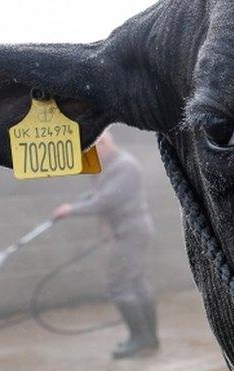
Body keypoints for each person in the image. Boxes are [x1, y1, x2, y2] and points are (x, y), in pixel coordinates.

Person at [53, 131, 159, 359]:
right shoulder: (111, 166)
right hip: (127, 231)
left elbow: (107, 200)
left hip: (129, 232)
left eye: (96, 145)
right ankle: (148, 339)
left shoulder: (125, 165)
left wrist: (72, 210)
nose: (93, 150)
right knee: (136, 282)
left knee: (119, 284)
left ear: (105, 142)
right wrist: (75, 204)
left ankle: (140, 339)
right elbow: (96, 193)